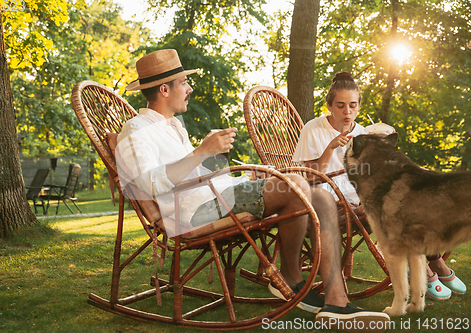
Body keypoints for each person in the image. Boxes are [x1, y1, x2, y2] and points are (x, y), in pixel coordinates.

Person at [115, 49, 390, 327]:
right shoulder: (136, 130)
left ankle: (336, 301)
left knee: (319, 195)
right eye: (184, 83)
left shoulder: (172, 126)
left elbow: (192, 175)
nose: (189, 88)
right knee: (294, 183)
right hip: (193, 212)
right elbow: (148, 184)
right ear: (164, 89)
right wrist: (201, 152)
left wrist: (235, 173)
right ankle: (290, 277)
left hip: (217, 196)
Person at [292, 71, 466, 301]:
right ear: (329, 105)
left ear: (359, 105)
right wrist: (331, 147)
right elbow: (311, 177)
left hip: (359, 194)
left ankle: (435, 262)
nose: (347, 112)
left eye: (353, 106)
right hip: (327, 199)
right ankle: (426, 270)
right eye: (341, 105)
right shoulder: (312, 129)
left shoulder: (361, 132)